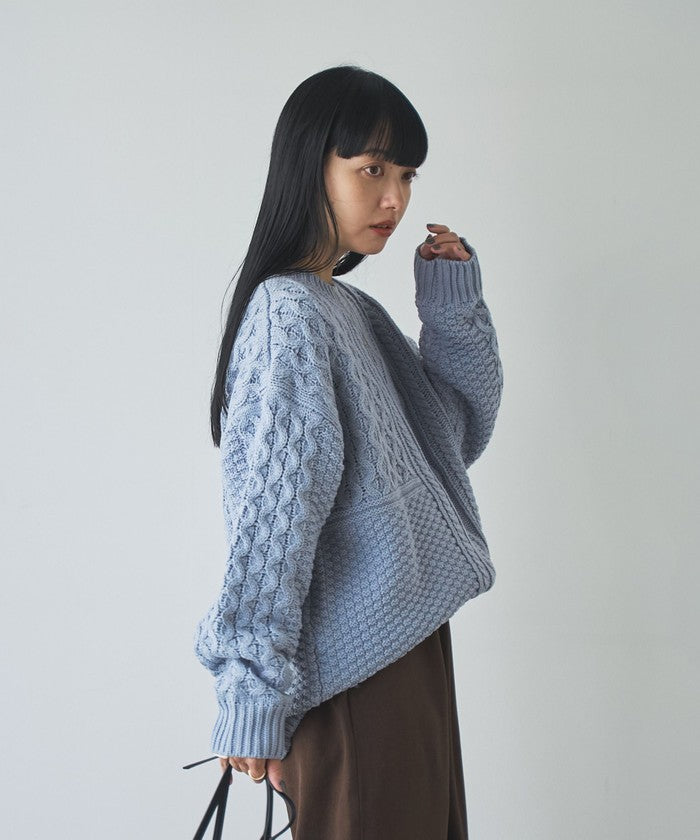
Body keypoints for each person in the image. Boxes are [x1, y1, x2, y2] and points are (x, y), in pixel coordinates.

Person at [193, 64, 503, 839]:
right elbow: (274, 520)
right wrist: (253, 696)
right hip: (356, 677)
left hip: (402, 652)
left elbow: (450, 440)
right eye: (371, 170)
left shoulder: (347, 308)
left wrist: (451, 303)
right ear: (311, 165)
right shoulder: (288, 312)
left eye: (406, 176)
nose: (394, 198)